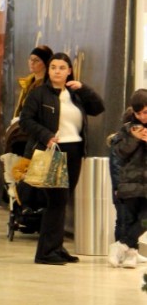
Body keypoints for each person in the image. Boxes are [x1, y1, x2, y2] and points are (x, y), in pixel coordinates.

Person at [19, 52, 104, 265]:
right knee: (55, 201)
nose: (57, 71)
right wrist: (46, 135)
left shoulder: (75, 94)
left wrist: (84, 89)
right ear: (48, 71)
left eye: (61, 67)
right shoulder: (39, 94)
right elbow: (26, 121)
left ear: (69, 71)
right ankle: (46, 252)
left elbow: (98, 108)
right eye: (53, 67)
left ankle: (56, 248)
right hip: (53, 151)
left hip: (75, 151)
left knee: (62, 201)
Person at [107, 89, 147, 268]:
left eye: (145, 112)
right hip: (130, 183)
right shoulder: (127, 129)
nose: (143, 117)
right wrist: (134, 138)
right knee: (128, 219)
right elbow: (119, 153)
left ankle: (121, 245)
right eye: (139, 113)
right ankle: (130, 253)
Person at [13, 46, 53, 119]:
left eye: (36, 60)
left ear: (46, 63)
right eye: (30, 59)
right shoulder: (27, 83)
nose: (32, 63)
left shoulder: (48, 86)